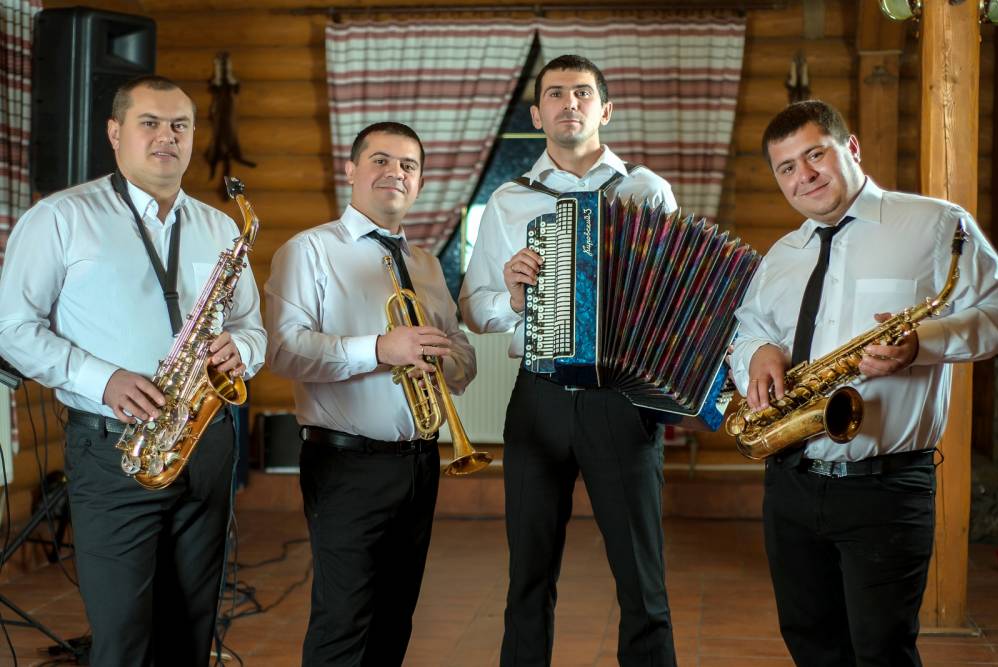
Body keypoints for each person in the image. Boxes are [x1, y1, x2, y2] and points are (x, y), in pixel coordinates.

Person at [0, 75, 266, 665]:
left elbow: (252, 327)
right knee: (122, 638)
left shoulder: (220, 227)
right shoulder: (61, 217)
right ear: (115, 132)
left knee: (192, 631)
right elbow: (11, 328)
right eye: (150, 123)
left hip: (204, 444)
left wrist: (242, 351)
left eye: (179, 125)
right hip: (114, 449)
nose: (167, 136)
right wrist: (103, 380)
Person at [729, 99, 998, 666]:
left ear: (850, 148)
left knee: (882, 653)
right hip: (792, 483)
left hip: (886, 486)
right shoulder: (782, 254)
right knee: (810, 644)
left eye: (815, 155)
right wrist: (756, 354)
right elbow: (748, 329)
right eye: (786, 168)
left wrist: (922, 343)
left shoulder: (936, 224)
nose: (804, 176)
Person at [460, 55, 679, 666]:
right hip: (539, 396)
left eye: (582, 92)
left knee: (641, 578)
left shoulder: (647, 190)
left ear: (605, 110)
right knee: (527, 576)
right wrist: (513, 297)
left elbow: (674, 296)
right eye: (555, 94)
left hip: (621, 398)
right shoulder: (509, 200)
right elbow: (474, 309)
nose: (569, 103)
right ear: (537, 115)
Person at [265, 122, 476, 666]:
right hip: (345, 463)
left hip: (419, 463)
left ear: (420, 182)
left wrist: (447, 359)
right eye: (380, 160)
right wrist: (381, 348)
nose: (395, 173)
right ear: (352, 170)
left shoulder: (427, 264)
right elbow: (283, 351)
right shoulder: (309, 251)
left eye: (408, 165)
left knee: (395, 620)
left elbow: (463, 357)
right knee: (343, 623)